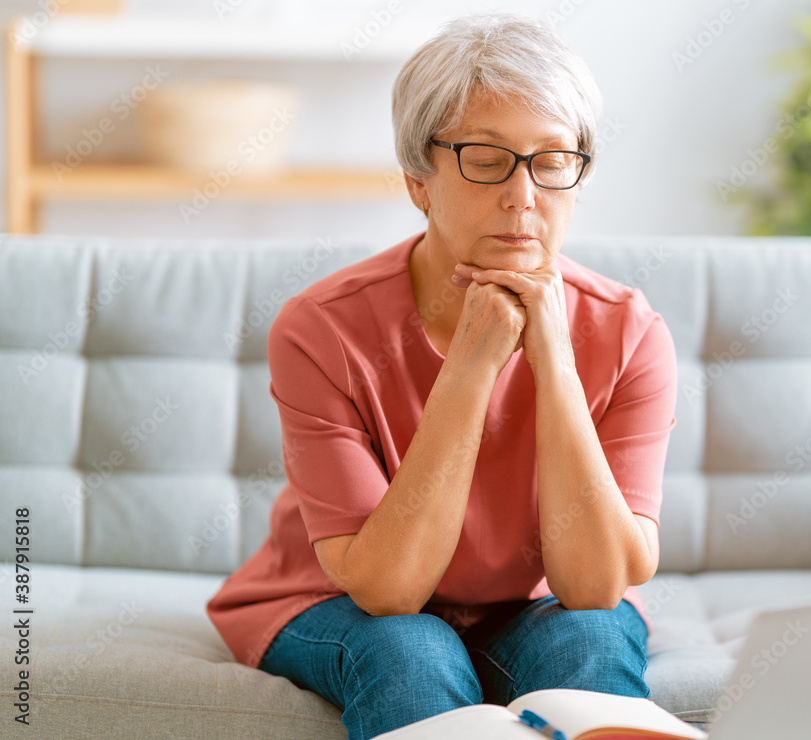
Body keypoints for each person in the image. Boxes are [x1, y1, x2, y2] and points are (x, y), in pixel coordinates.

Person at [206, 12, 677, 740]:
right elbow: (388, 590)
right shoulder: (319, 330)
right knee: (410, 649)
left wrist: (552, 359)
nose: (523, 197)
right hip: (341, 600)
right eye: (487, 159)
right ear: (418, 180)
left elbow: (594, 588)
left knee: (593, 636)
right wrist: (473, 365)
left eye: (553, 161)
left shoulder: (629, 331)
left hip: (532, 607)